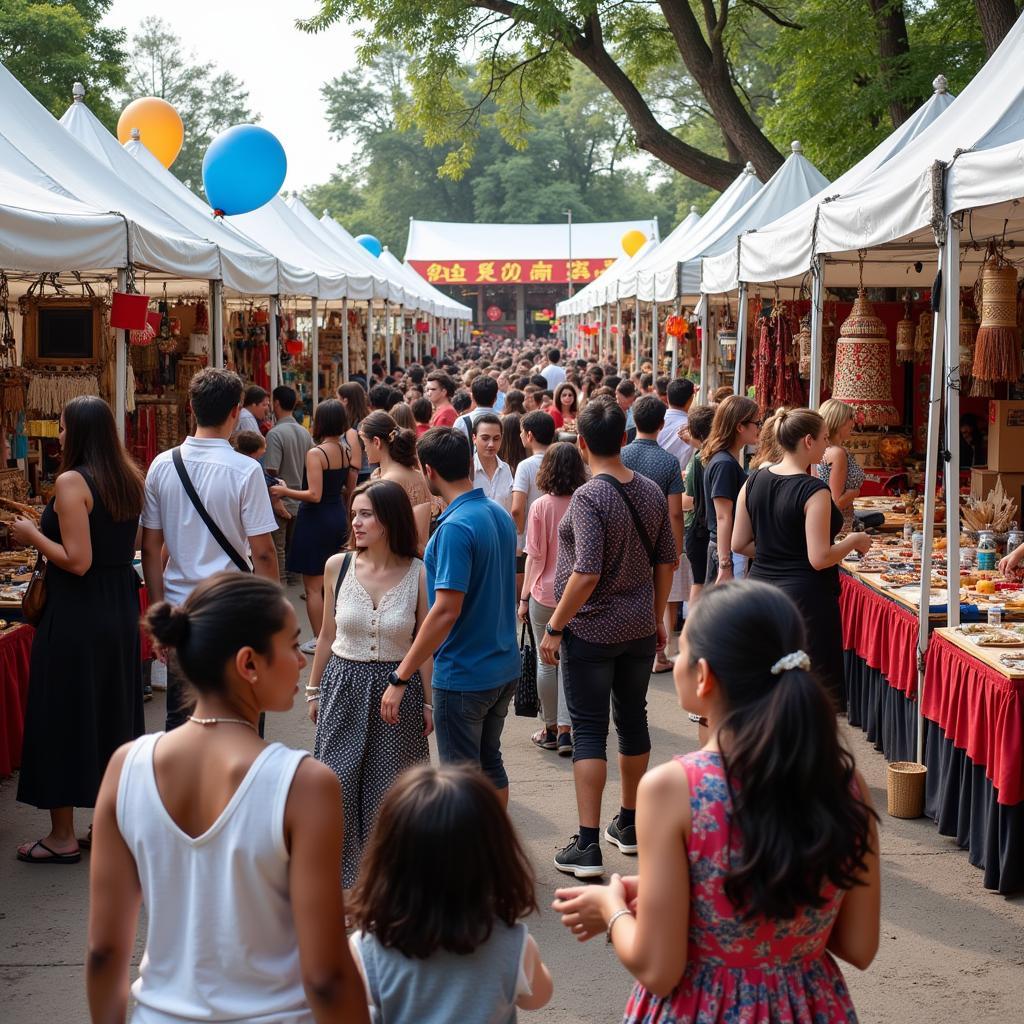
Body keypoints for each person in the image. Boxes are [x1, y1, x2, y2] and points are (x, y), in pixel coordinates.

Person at [552, 581, 880, 1023]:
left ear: (704, 676)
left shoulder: (673, 788)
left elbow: (658, 968)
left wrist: (610, 909)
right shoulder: (844, 782)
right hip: (809, 1007)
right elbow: (858, 945)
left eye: (682, 650)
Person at [87, 574, 369, 1024]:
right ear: (248, 664)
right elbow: (326, 977)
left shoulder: (126, 767)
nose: (301, 661)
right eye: (292, 645)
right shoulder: (303, 784)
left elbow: (104, 952)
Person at [541, 397, 676, 879]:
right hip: (638, 627)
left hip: (592, 630)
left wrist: (554, 626)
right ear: (624, 437)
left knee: (591, 731)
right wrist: (657, 614)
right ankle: (631, 824)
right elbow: (667, 560)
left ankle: (588, 843)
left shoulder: (588, 497)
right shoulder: (650, 491)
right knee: (633, 719)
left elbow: (585, 573)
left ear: (580, 443)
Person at [13, 396, 146, 864]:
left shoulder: (73, 482)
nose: (61, 435)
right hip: (117, 606)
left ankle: (62, 835)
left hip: (77, 612)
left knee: (63, 714)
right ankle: (106, 825)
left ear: (81, 433)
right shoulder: (128, 477)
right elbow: (126, 546)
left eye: (66, 428)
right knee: (112, 711)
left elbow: (77, 560)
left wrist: (32, 535)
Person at [348, 764, 553, 1019]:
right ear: (495, 857)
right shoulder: (514, 945)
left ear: (388, 859)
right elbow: (538, 998)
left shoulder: (367, 950)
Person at [306, 481, 431, 889]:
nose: (356, 523)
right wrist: (313, 689)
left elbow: (423, 645)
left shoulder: (418, 572)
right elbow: (326, 635)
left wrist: (428, 704)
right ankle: (343, 888)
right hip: (343, 685)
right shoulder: (336, 566)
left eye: (366, 514)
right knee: (336, 788)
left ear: (389, 520)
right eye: (354, 514)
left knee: (390, 794)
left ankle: (387, 889)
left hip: (399, 692)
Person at [141, 368, 279, 732]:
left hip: (180, 610)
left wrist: (159, 614)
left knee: (182, 717)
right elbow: (263, 553)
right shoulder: (245, 469)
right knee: (242, 716)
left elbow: (150, 547)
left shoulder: (161, 465)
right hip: (235, 609)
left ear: (191, 407)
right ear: (236, 411)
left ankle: (184, 789)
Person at [391, 428, 520, 805]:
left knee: (460, 779)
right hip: (501, 665)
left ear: (427, 470)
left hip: (465, 673)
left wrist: (401, 674)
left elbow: (445, 610)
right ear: (468, 461)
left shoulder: (454, 527)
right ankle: (493, 848)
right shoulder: (496, 513)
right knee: (489, 762)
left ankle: (471, 858)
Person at [733, 409, 872, 709]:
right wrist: (853, 541)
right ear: (808, 441)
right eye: (823, 439)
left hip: (760, 592)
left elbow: (739, 543)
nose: (827, 447)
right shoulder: (814, 490)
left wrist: (777, 549)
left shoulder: (753, 479)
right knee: (807, 695)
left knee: (766, 687)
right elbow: (819, 557)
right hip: (804, 601)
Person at [271, 400, 356, 655]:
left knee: (313, 587)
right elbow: (346, 488)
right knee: (335, 582)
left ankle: (321, 639)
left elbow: (314, 494)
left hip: (316, 518)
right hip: (337, 514)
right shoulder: (346, 451)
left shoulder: (316, 453)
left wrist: (285, 490)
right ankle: (337, 635)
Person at [520, 442, 587, 757]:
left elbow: (534, 557)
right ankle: (565, 731)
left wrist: (522, 598)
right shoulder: (584, 502)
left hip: (543, 593)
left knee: (544, 661)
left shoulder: (540, 507)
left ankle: (549, 728)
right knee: (569, 663)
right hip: (576, 594)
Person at [621, 395, 686, 673]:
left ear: (635, 421)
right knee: (657, 596)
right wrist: (676, 548)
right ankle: (657, 654)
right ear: (661, 424)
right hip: (657, 539)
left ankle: (625, 647)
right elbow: (675, 512)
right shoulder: (669, 462)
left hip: (622, 538)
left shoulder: (621, 456)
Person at [702, 395, 760, 586]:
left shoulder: (726, 460)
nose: (758, 428)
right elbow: (723, 517)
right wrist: (725, 564)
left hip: (728, 549)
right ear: (739, 426)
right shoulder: (724, 464)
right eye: (756, 423)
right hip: (727, 551)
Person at [360, 410, 433, 552]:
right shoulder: (417, 475)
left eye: (364, 442)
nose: (364, 449)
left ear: (376, 442)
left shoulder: (387, 482)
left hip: (395, 559)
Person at [264, 386, 314, 583]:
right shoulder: (304, 433)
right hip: (300, 497)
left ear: (276, 403)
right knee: (294, 544)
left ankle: (281, 581)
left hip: (280, 498)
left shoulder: (275, 434)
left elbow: (271, 469)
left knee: (278, 547)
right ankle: (294, 579)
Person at [681, 405, 715, 607]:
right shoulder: (710, 456)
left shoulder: (699, 458)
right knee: (702, 583)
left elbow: (688, 501)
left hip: (697, 529)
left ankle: (692, 630)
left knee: (699, 583)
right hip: (703, 530)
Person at [511, 410, 556, 557]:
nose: (520, 435)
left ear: (529, 435)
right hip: (557, 534)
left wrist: (521, 533)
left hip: (532, 540)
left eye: (521, 432)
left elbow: (517, 509)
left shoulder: (525, 465)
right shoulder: (562, 460)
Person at [817, 398, 865, 533]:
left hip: (834, 521)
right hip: (839, 523)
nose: (853, 422)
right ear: (839, 421)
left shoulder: (824, 449)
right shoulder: (837, 453)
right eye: (850, 418)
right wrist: (855, 492)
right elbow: (836, 502)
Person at [472, 413, 514, 513]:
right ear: (474, 438)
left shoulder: (506, 469)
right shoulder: (466, 472)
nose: (491, 444)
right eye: (485, 438)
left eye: (496, 439)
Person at [337, 382, 372, 484]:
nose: (337, 402)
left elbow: (355, 463)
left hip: (356, 475)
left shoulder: (352, 426)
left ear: (345, 401)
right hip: (370, 471)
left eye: (338, 398)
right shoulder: (368, 419)